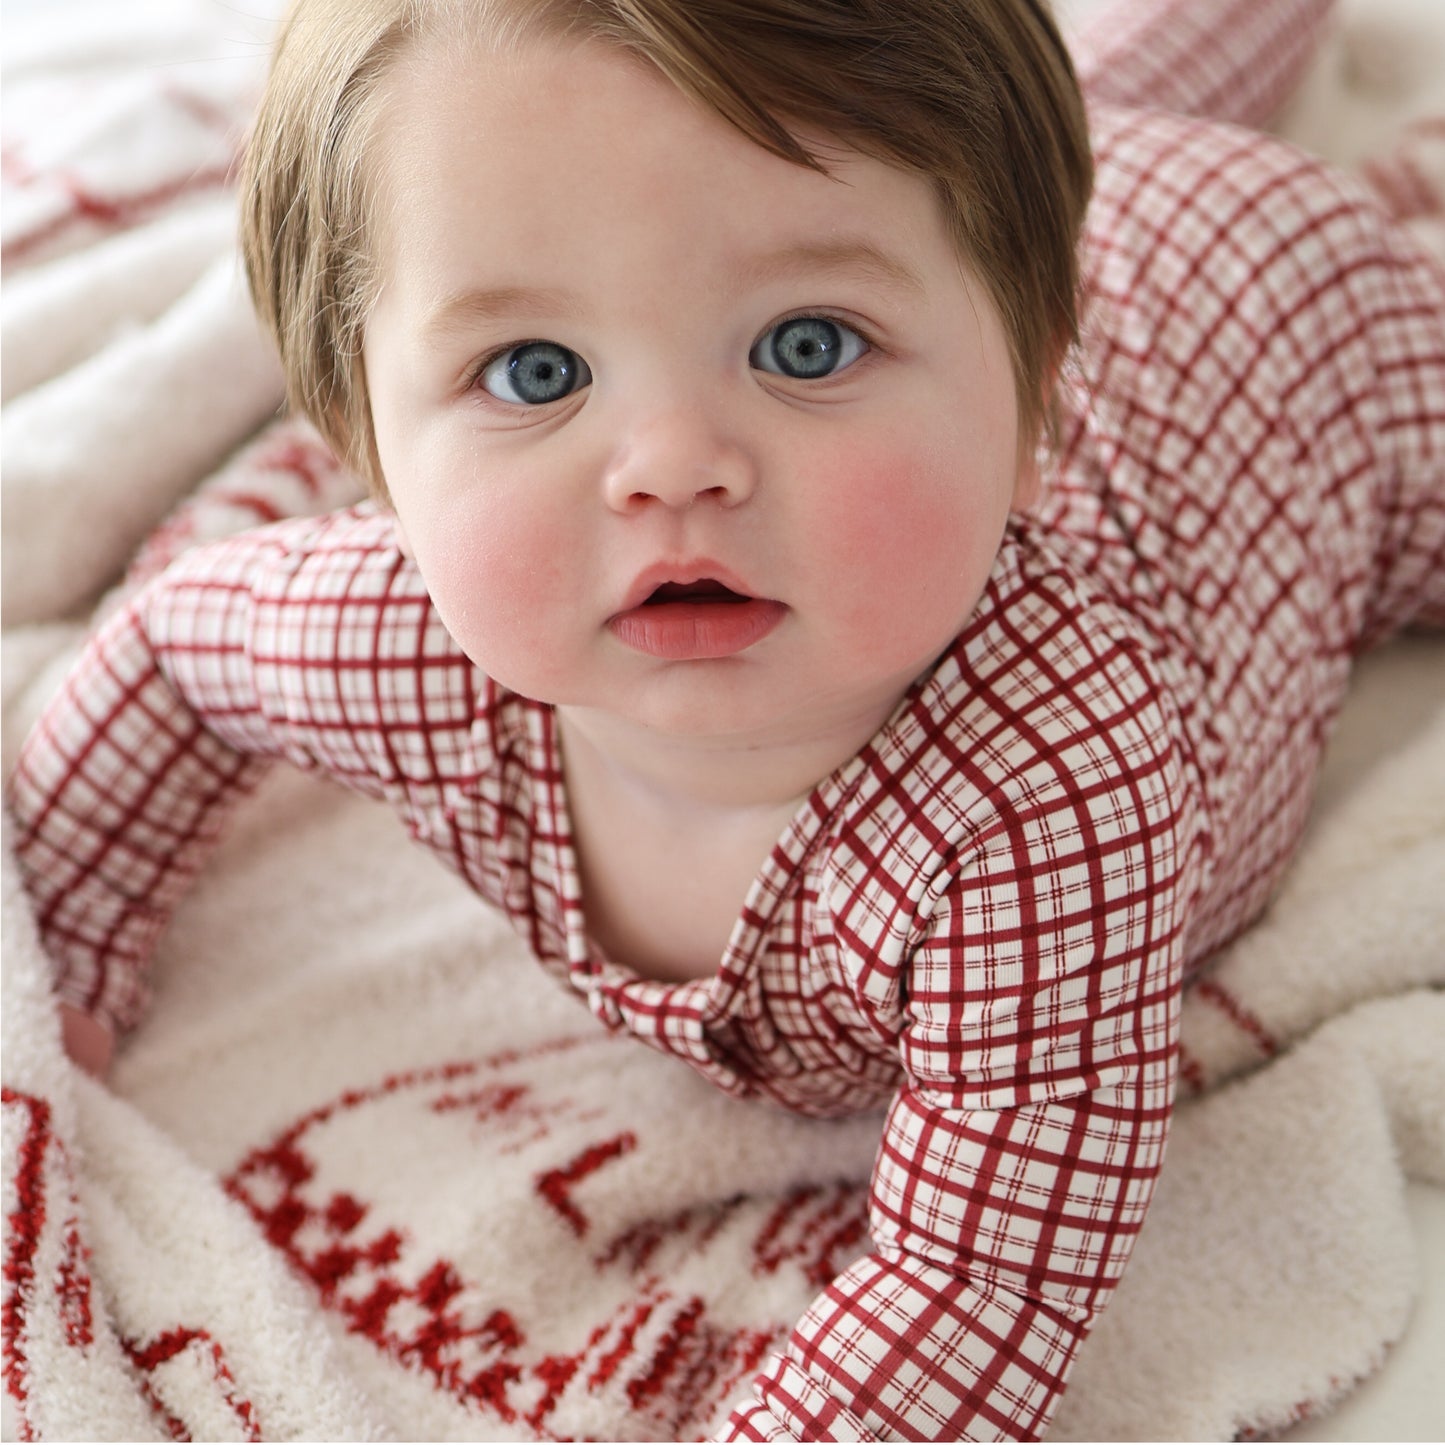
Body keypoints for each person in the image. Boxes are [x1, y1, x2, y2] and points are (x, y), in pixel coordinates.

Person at [9, 0, 1444, 1436]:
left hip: (1281, 326)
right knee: (1064, 125)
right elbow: (168, 657)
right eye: (535, 371)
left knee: (1145, 155)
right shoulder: (393, 639)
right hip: (1050, 233)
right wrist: (72, 946)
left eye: (807, 345)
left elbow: (972, 1288)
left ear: (1032, 403)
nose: (674, 466)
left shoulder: (1043, 791)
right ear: (364, 442)